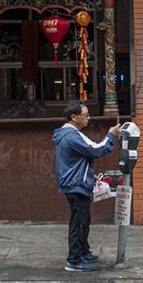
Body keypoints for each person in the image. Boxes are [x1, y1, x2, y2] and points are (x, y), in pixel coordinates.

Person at [53, 100, 121, 272]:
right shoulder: (72, 136)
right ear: (73, 117)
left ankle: (83, 252)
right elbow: (96, 150)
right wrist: (111, 135)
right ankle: (73, 260)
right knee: (79, 222)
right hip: (77, 184)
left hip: (75, 182)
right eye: (85, 115)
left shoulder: (70, 134)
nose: (88, 118)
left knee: (83, 219)